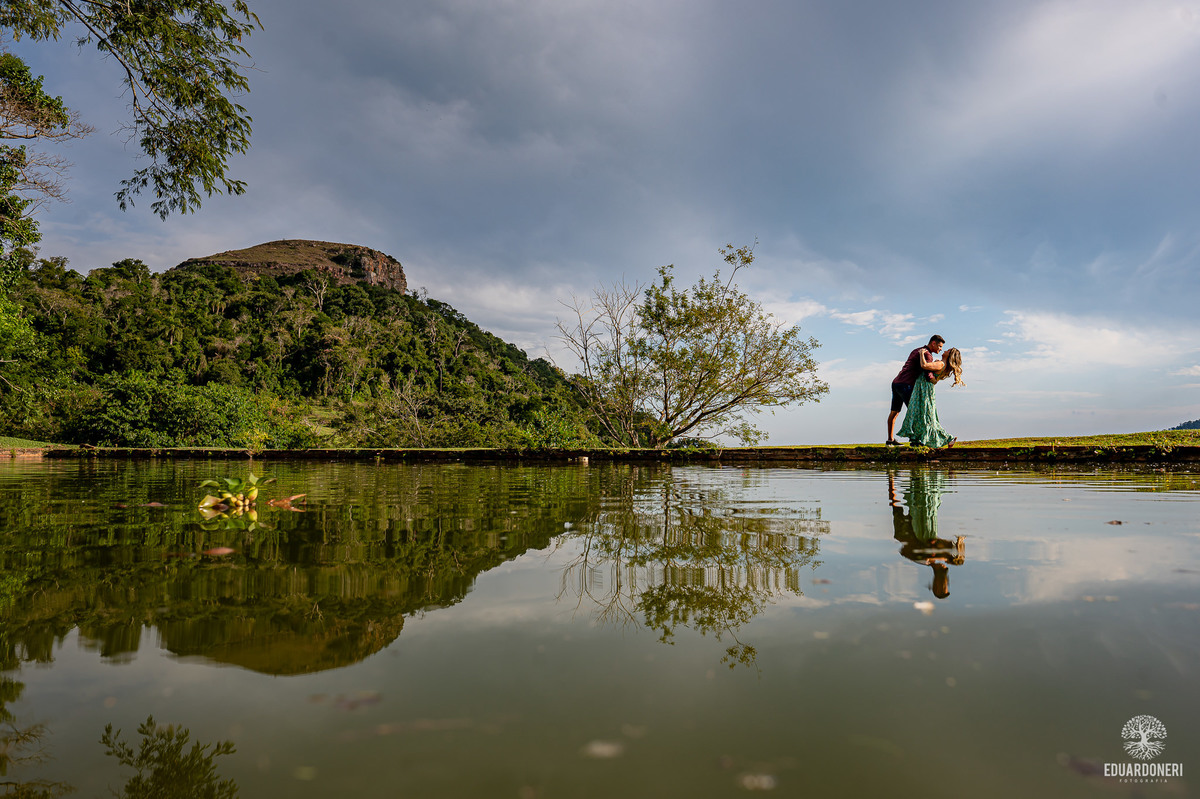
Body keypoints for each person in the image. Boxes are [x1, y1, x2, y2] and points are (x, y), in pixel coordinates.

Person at [897, 347, 964, 448]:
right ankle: (922, 438)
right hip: (926, 388)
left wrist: (921, 354)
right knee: (925, 414)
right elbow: (935, 380)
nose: (944, 350)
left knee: (923, 414)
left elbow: (924, 365)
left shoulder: (940, 364)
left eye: (947, 350)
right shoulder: (943, 365)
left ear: (949, 355)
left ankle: (946, 438)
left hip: (923, 388)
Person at [886, 335, 945, 445]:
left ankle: (890, 440)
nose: (940, 349)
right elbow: (928, 374)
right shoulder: (927, 355)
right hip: (907, 385)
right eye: (940, 346)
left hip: (896, 383)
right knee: (917, 412)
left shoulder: (916, 350)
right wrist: (935, 379)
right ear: (933, 343)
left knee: (894, 412)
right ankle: (916, 440)